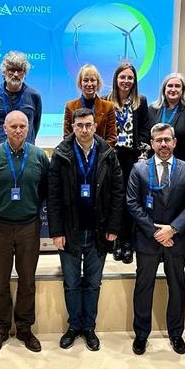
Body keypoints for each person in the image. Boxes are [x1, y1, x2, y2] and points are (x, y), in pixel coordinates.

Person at [49, 107, 123, 351]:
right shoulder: (60, 154)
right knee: (71, 283)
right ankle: (74, 326)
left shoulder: (108, 153)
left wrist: (113, 226)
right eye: (79, 125)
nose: (83, 129)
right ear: (72, 127)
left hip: (98, 230)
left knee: (93, 283)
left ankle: (89, 327)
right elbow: (54, 197)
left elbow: (117, 193)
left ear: (94, 126)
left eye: (88, 125)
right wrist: (56, 232)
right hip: (70, 230)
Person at [0, 110, 50, 354]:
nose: (18, 130)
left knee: (27, 280)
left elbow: (46, 189)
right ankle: (1, 328)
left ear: (28, 129)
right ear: (4, 129)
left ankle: (25, 328)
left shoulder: (39, 156)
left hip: (29, 226)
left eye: (22, 126)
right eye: (13, 126)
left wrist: (30, 206)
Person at [126, 122, 185, 355]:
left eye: (167, 140)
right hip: (148, 239)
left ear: (175, 142)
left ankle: (176, 334)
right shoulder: (138, 169)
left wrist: (173, 229)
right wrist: (156, 232)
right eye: (158, 140)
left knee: (176, 286)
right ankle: (141, 335)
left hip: (176, 239)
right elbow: (132, 204)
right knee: (143, 287)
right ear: (152, 143)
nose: (163, 144)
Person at [106, 62, 151, 264]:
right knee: (113, 201)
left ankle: (127, 244)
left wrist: (142, 154)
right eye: (122, 77)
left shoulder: (140, 101)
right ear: (116, 79)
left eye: (130, 78)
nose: (126, 81)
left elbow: (144, 130)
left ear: (134, 81)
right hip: (111, 158)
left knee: (130, 201)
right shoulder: (106, 101)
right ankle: (114, 241)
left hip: (132, 159)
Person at [0, 51, 42, 147]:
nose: (16, 74)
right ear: (4, 72)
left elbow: (35, 125)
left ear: (25, 73)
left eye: (20, 70)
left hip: (26, 150)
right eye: (12, 70)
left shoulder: (34, 96)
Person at [148, 72, 185, 170]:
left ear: (182, 90)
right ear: (164, 89)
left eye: (177, 86)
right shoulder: (152, 109)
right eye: (170, 86)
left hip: (183, 165)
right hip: (155, 165)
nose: (173, 89)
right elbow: (147, 138)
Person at [63, 64, 117, 146]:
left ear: (98, 83)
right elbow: (67, 137)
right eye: (85, 80)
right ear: (80, 83)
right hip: (76, 156)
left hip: (102, 156)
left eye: (92, 80)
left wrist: (99, 155)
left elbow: (112, 138)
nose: (89, 84)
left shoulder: (108, 107)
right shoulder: (70, 106)